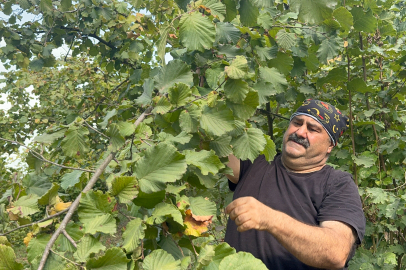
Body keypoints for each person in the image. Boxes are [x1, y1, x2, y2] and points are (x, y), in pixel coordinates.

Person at [225, 99, 365, 270]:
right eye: (297, 123)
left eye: (313, 129)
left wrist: (269, 219)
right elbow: (215, 135)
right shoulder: (255, 161)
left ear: (330, 145)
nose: (300, 132)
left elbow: (335, 253)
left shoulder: (337, 184)